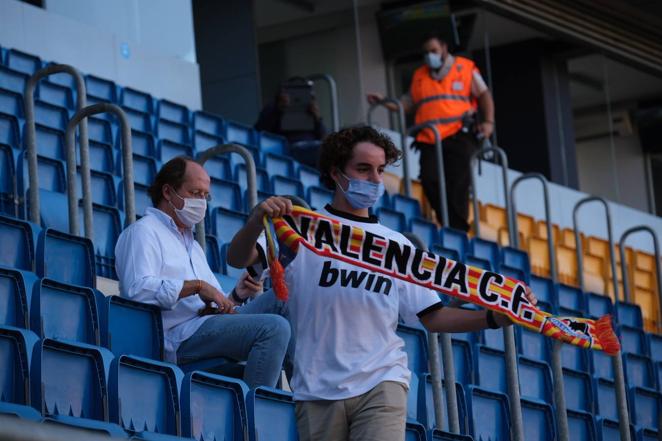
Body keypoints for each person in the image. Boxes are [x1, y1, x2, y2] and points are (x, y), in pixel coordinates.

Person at [227, 126, 535, 441]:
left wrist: (492, 318)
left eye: (380, 170)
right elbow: (238, 258)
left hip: (382, 380)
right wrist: (256, 222)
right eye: (363, 169)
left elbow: (434, 316)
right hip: (315, 388)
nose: (375, 179)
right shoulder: (300, 231)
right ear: (335, 172)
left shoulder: (397, 246)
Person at [114, 156, 290, 389]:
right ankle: (260, 416)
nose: (202, 202)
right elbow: (136, 290)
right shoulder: (143, 232)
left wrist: (236, 296)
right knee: (274, 328)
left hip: (204, 326)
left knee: (284, 300)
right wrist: (198, 286)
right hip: (178, 338)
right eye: (196, 192)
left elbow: (212, 306)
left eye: (205, 196)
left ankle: (307, 401)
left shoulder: (193, 245)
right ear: (168, 192)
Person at [367, 31, 495, 232]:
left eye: (434, 50)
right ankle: (450, 224)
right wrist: (384, 101)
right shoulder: (419, 76)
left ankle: (457, 229)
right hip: (429, 138)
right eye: (426, 52)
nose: (430, 55)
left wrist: (488, 122)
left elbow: (485, 94)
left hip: (459, 134)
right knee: (429, 179)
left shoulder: (465, 68)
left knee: (458, 182)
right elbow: (406, 104)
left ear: (444, 48)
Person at [255, 77, 327, 168]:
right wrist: (278, 109)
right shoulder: (272, 107)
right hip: (291, 148)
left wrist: (317, 118)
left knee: (335, 148)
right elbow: (259, 130)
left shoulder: (310, 109)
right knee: (325, 149)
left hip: (312, 146)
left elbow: (323, 136)